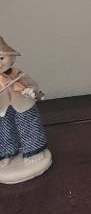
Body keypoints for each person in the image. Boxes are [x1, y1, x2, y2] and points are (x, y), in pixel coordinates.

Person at [0, 36, 51, 184]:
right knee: (4, 131)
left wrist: (29, 90)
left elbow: (32, 85)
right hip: (2, 109)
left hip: (22, 105)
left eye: (1, 58)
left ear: (11, 58)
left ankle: (33, 150)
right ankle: (7, 153)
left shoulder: (17, 74)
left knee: (28, 125)